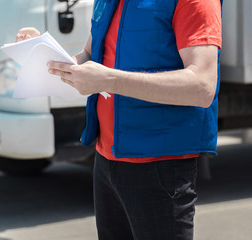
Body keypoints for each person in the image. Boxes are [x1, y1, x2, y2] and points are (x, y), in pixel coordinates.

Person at [16, 0, 222, 239]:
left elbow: (202, 86)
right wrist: (45, 54)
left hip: (160, 165)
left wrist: (110, 80)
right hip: (106, 159)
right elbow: (89, 56)